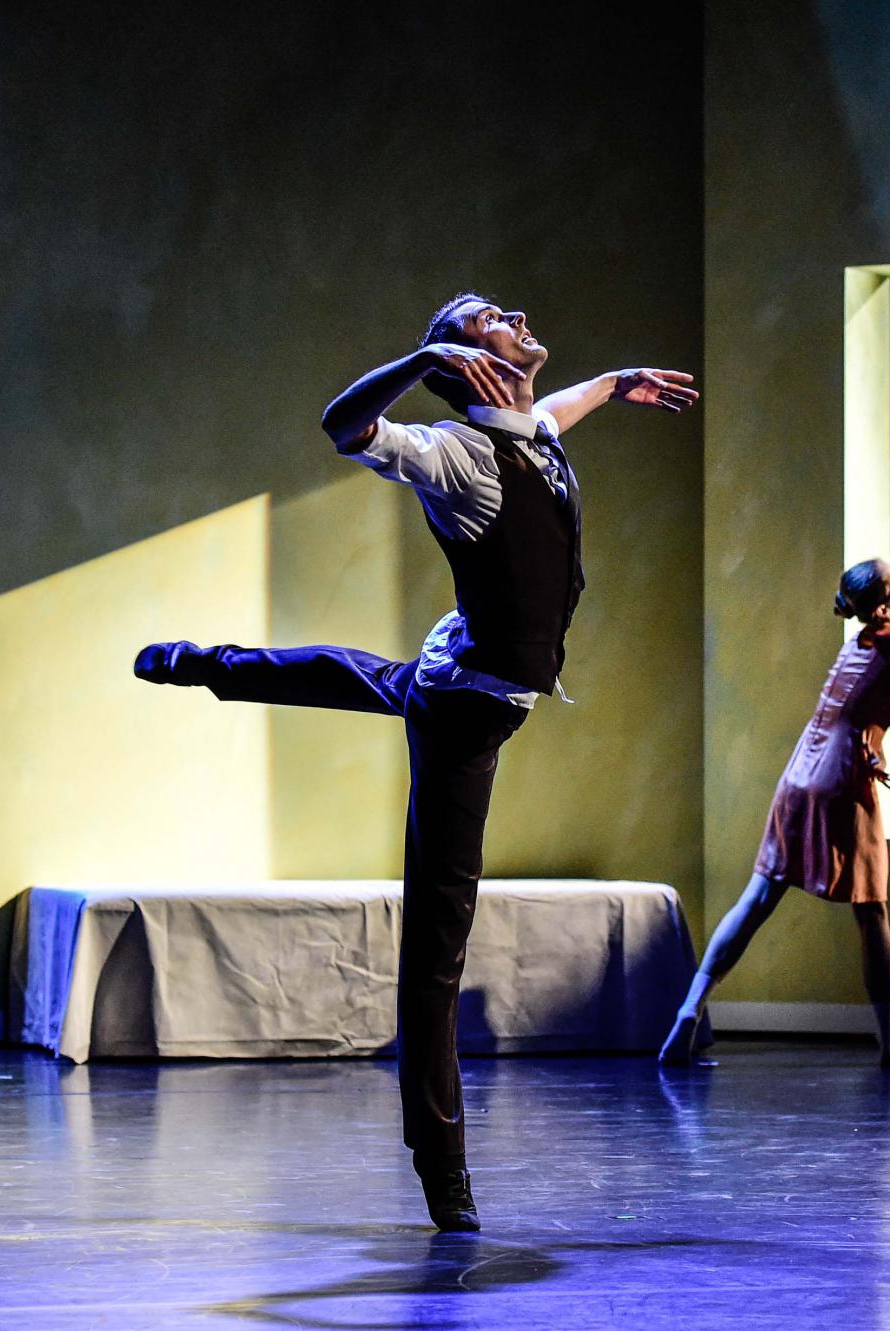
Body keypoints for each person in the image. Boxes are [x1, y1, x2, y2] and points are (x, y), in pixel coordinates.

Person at [134, 293, 697, 1231]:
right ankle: (443, 1166)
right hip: (465, 711)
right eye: (488, 317)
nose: (515, 312)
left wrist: (614, 383)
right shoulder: (456, 455)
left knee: (366, 677)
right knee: (438, 945)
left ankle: (203, 663)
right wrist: (419, 358)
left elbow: (558, 409)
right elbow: (344, 427)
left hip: (468, 675)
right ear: (467, 359)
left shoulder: (533, 433)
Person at [660, 559, 890, 1069]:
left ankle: (689, 1011)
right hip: (842, 780)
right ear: (882, 607)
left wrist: (870, 734)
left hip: (801, 775)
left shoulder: (854, 644)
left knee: (757, 898)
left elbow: (849, 708)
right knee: (872, 912)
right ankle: (889, 1041)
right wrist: (873, 738)